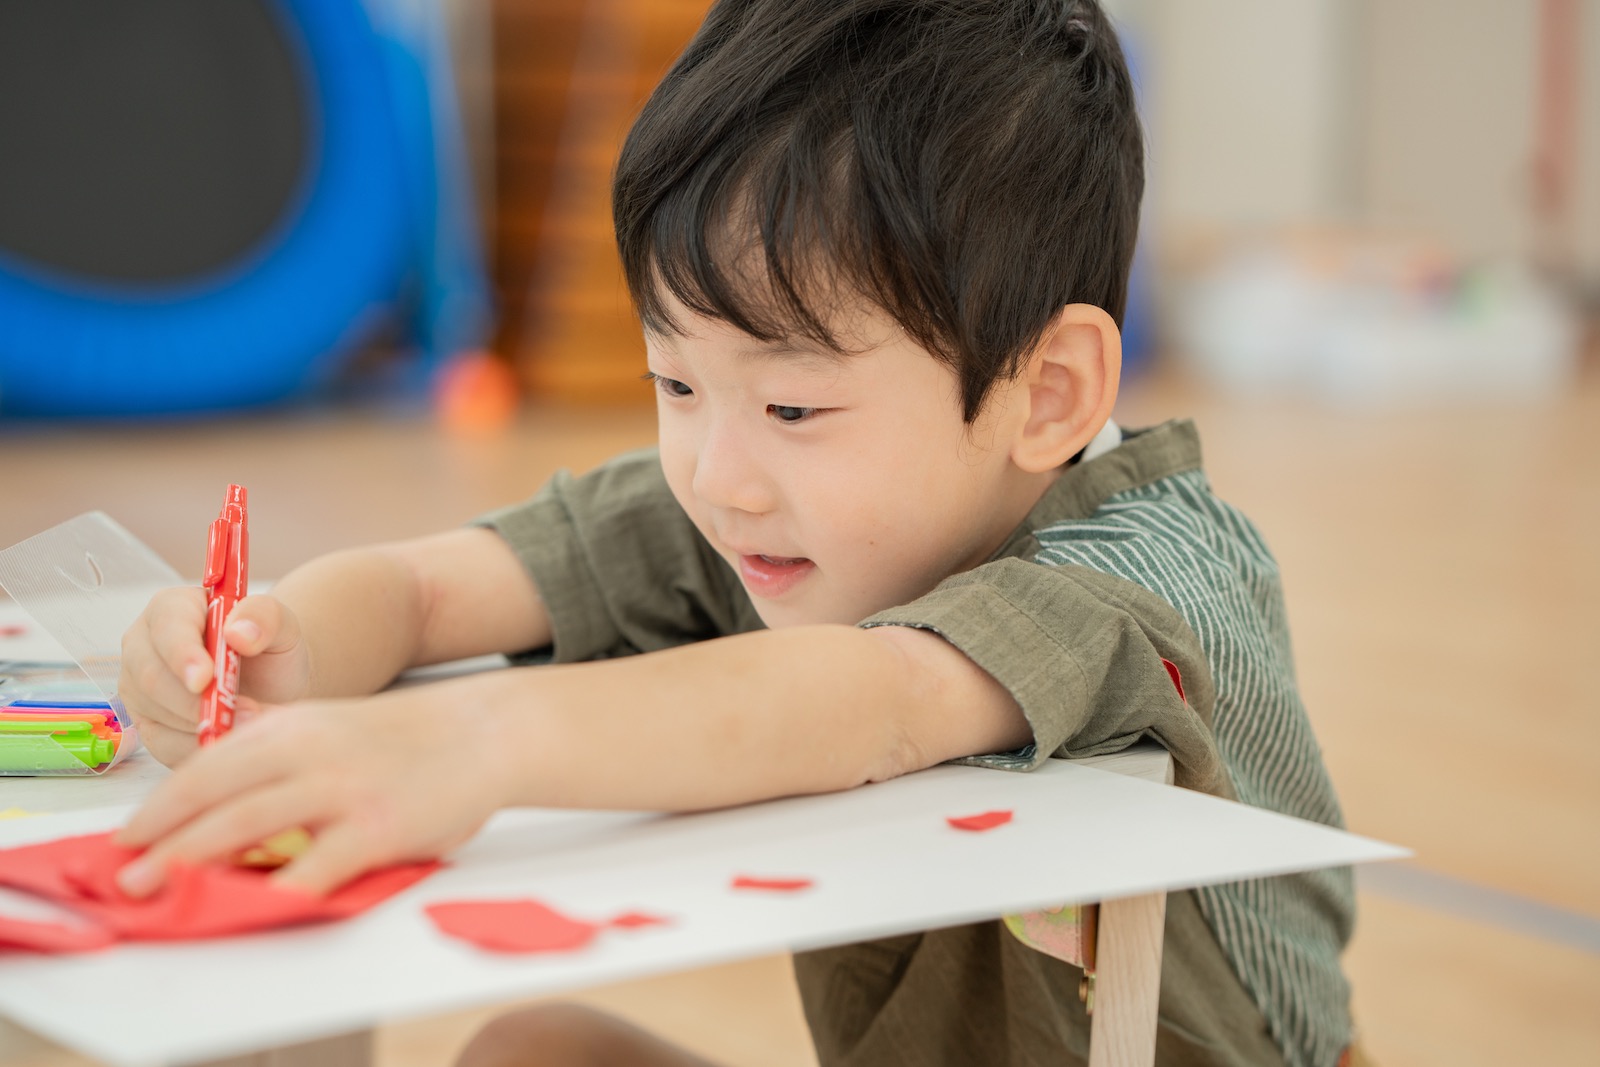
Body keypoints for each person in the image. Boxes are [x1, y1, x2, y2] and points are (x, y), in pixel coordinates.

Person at [114, 1, 1357, 1065]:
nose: (718, 477)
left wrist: (470, 741)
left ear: (1046, 392)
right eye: (673, 384)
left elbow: (871, 696)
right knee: (532, 1047)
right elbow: (431, 590)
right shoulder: (790, 492)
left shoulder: (1138, 575)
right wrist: (280, 646)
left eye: (792, 403)